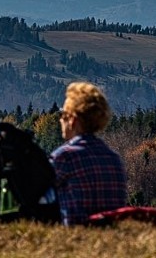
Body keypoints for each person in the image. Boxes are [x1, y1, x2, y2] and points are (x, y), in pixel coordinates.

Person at [51, 82, 127, 225]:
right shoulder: (114, 159)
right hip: (111, 239)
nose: (60, 119)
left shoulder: (65, 156)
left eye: (63, 114)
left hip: (74, 237)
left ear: (73, 120)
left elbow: (34, 194)